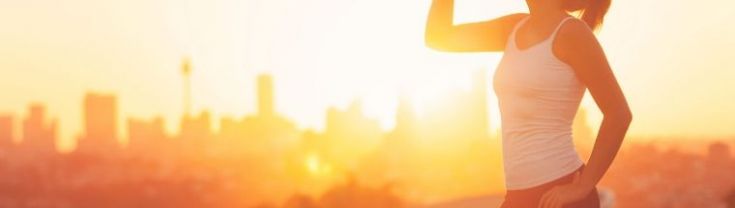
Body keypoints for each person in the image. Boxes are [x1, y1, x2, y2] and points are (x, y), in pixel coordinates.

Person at [425, 0, 632, 207]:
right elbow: (439, 36)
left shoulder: (573, 33)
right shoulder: (514, 27)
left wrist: (582, 186)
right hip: (518, 196)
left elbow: (619, 114)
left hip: (558, 194)